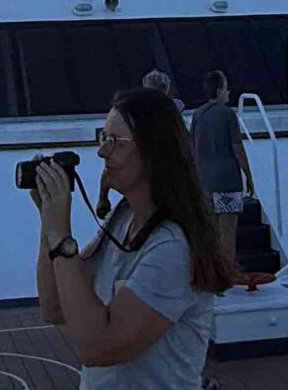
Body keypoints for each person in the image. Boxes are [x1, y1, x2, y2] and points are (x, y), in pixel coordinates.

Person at [29, 87, 237, 390]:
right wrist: (48, 222)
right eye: (103, 138)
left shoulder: (172, 247)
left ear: (153, 151)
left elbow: (98, 348)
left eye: (116, 142)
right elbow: (54, 306)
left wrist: (62, 236)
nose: (103, 152)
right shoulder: (123, 218)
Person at [188, 71, 252, 258]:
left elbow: (192, 146)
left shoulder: (198, 114)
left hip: (204, 181)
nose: (229, 92)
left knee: (210, 231)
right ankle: (227, 272)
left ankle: (211, 274)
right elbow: (237, 149)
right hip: (227, 180)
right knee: (227, 231)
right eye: (225, 88)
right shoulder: (228, 115)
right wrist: (248, 175)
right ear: (219, 90)